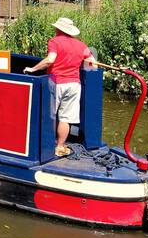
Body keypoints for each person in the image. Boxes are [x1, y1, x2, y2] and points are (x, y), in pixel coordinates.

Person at [23, 16, 96, 158]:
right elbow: (93, 63)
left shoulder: (54, 41)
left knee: (50, 116)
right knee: (65, 118)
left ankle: (47, 146)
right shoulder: (81, 45)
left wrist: (33, 69)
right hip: (74, 84)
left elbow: (50, 60)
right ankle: (60, 146)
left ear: (58, 29)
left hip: (56, 83)